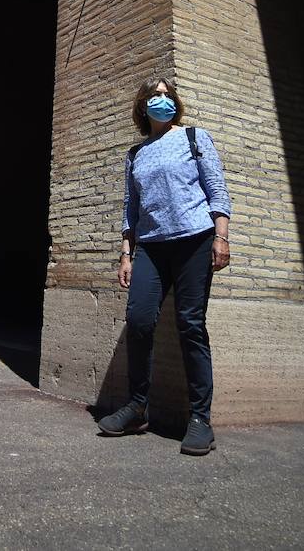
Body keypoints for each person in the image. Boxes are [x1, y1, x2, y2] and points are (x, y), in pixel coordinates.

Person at [98, 79, 232, 455]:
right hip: (151, 248)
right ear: (143, 106)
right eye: (154, 95)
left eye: (167, 94)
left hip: (195, 239)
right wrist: (126, 253)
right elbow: (131, 207)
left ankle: (200, 419)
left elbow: (216, 188)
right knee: (139, 320)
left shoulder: (194, 137)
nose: (162, 99)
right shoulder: (136, 153)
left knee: (190, 324)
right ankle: (138, 406)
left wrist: (221, 236)